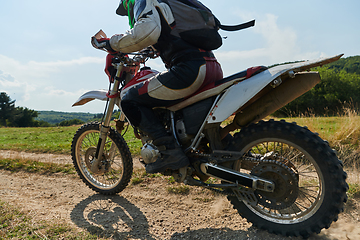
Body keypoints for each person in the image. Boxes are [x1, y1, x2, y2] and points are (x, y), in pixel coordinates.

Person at [99, 0, 223, 173]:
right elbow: (169, 35)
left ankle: (169, 152)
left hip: (189, 71)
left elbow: (145, 32)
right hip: (211, 68)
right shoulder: (171, 5)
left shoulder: (144, 1)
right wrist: (153, 49)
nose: (127, 10)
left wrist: (110, 43)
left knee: (129, 99)